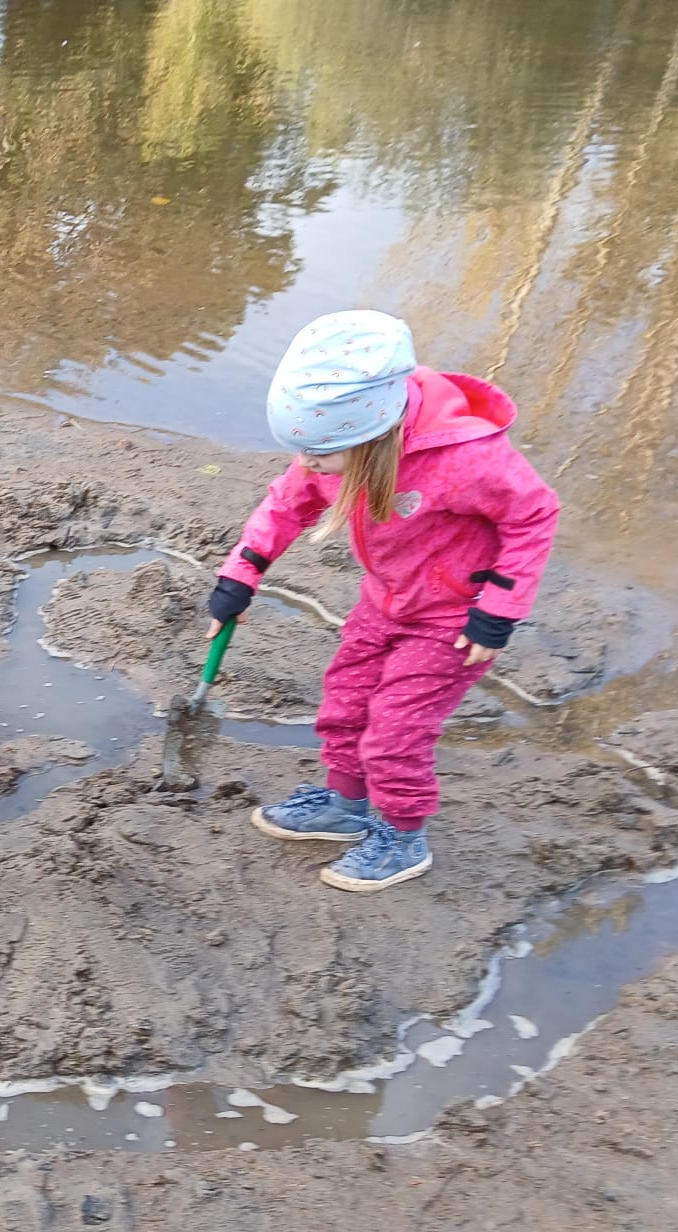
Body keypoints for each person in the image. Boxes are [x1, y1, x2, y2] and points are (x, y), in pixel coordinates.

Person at [207, 309, 560, 891]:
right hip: (384, 601)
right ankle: (346, 806)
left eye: (320, 452)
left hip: (453, 622)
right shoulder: (330, 451)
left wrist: (498, 610)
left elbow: (534, 514)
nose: (307, 463)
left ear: (370, 437)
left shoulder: (465, 459)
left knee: (395, 730)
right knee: (345, 702)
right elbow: (285, 504)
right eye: (301, 448)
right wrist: (242, 572)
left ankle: (401, 835)